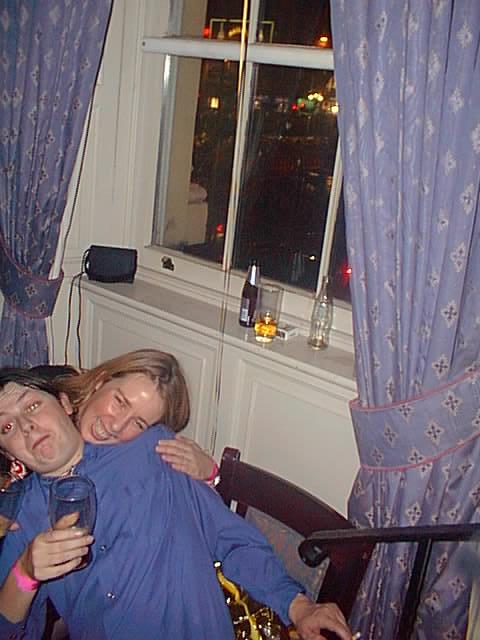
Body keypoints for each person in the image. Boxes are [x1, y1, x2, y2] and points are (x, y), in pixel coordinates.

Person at [0, 369, 352, 640]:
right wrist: (25, 573)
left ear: (64, 403)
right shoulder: (22, 518)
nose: (27, 426)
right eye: (7, 427)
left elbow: (230, 539)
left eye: (32, 406)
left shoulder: (154, 450)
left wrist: (299, 606)